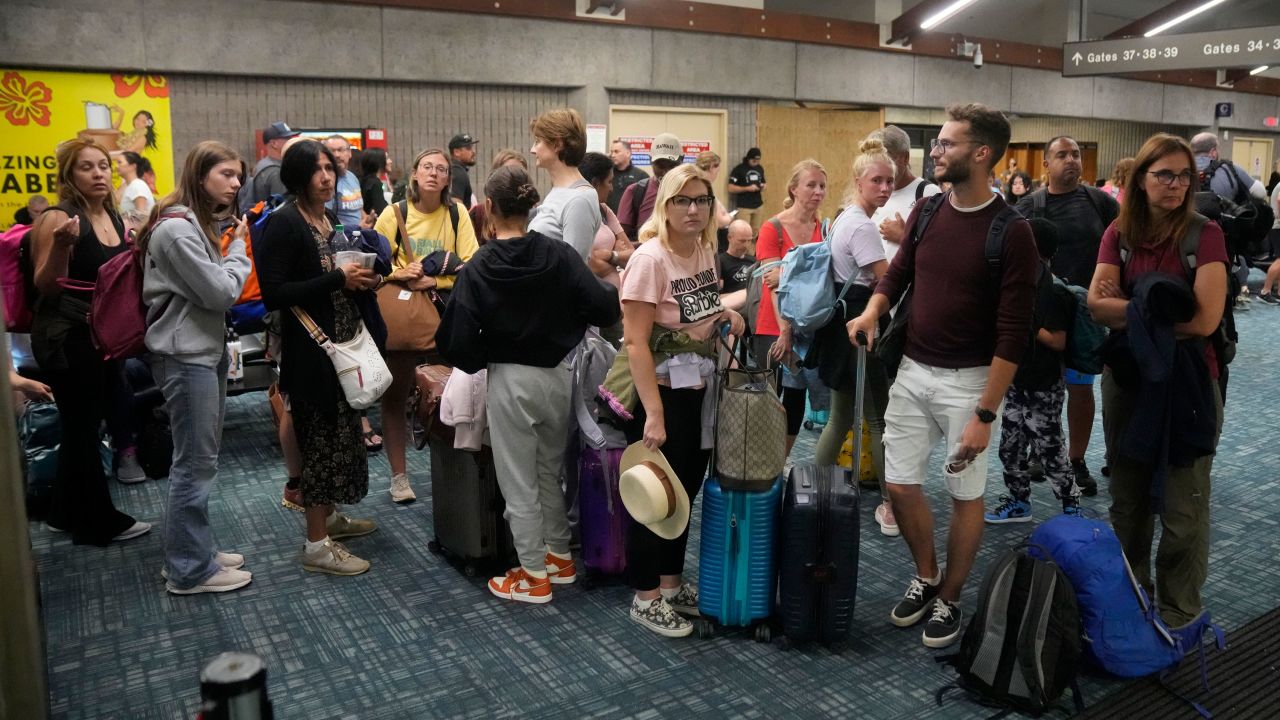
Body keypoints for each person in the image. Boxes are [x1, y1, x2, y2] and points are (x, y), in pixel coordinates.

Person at [847, 103, 1038, 649]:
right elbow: (901, 272)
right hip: (912, 370)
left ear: (981, 153)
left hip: (970, 384)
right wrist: (871, 311)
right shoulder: (929, 210)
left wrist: (985, 414)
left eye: (948, 143)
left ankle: (951, 597)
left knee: (964, 494)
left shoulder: (1012, 232)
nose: (936, 151)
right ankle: (927, 575)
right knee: (901, 485)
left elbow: (1013, 333)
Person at [438, 166, 620, 604]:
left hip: (511, 377)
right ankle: (558, 556)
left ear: (490, 210)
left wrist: (484, 358)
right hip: (559, 375)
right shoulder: (558, 253)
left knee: (517, 479)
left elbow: (455, 342)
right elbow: (603, 304)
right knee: (547, 471)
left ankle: (532, 574)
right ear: (532, 206)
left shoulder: (480, 265)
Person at [1087, 133, 1228, 628]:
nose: (1175, 184)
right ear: (1140, 179)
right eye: (1163, 174)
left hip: (1189, 384)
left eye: (1184, 175)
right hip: (1130, 379)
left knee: (1183, 502)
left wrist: (1127, 309)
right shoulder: (1119, 234)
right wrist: (1155, 312)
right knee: (1127, 496)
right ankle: (1133, 595)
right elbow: (1093, 304)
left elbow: (1205, 322)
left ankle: (1178, 607)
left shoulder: (1203, 234)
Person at [616, 163, 745, 637]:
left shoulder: (705, 250)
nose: (693, 209)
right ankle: (644, 595)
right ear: (665, 206)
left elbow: (700, 314)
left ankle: (670, 586)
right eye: (682, 201)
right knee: (652, 496)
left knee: (682, 494)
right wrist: (653, 413)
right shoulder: (650, 260)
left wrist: (727, 319)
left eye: (702, 200)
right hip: (659, 397)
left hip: (697, 392)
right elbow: (636, 344)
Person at [255, 140, 382, 576]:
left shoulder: (325, 218)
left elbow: (330, 279)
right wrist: (336, 278)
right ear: (297, 176)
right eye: (316, 170)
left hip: (339, 345)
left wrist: (358, 280)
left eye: (330, 168)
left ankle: (326, 519)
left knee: (339, 437)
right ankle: (316, 545)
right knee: (320, 443)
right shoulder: (284, 223)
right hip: (311, 352)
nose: (326, 176)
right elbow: (273, 293)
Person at [140, 141, 254, 594]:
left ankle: (194, 551)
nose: (236, 182)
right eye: (226, 173)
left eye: (238, 175)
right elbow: (221, 292)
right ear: (199, 175)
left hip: (198, 352)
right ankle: (189, 569)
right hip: (185, 355)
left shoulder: (193, 223)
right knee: (193, 464)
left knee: (199, 461)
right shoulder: (176, 230)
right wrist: (240, 250)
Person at [29, 139, 152, 545]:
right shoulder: (56, 218)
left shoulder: (113, 216)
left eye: (103, 165)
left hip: (100, 335)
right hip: (66, 337)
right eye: (87, 167)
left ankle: (64, 512)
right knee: (82, 426)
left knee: (86, 422)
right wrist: (63, 246)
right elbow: (45, 285)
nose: (99, 173)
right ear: (68, 175)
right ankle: (97, 521)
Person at [1015, 136, 1120, 497]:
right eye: (1062, 155)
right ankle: (1037, 452)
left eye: (1075, 154)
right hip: (1044, 309)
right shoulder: (1030, 205)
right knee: (1037, 387)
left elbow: (1122, 245)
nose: (1071, 160)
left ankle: (1075, 459)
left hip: (1086, 313)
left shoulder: (1100, 202)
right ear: (1046, 164)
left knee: (1080, 387)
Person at [372, 148, 478, 503]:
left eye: (442, 169)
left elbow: (470, 264)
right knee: (395, 395)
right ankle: (399, 477)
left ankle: (456, 470)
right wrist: (399, 273)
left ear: (449, 178)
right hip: (404, 315)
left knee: (456, 394)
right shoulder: (394, 213)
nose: (434, 173)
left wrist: (437, 282)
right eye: (427, 167)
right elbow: (374, 266)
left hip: (445, 313)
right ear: (415, 174)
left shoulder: (456, 213)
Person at [810, 140, 895, 536]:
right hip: (861, 324)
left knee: (841, 416)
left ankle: (809, 489)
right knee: (879, 419)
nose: (884, 188)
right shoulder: (862, 225)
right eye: (876, 180)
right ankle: (891, 503)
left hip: (844, 322)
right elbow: (887, 279)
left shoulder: (845, 217)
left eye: (889, 181)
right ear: (859, 182)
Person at [985, 218, 1081, 524]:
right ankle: (1019, 501)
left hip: (1044, 386)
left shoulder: (1054, 291)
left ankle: (1070, 503)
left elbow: (1058, 340)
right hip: (1017, 380)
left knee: (1049, 448)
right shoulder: (1017, 283)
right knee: (1010, 447)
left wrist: (1024, 323)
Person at [755, 159, 827, 457]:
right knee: (767, 400)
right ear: (794, 189)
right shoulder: (774, 228)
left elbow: (824, 278)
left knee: (796, 402)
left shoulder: (823, 229)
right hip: (773, 327)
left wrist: (787, 273)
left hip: (806, 331)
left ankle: (778, 462)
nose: (818, 192)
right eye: (811, 185)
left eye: (822, 186)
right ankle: (759, 463)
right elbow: (772, 286)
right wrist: (784, 331)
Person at [527, 109, 599, 261]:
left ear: (557, 144)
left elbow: (574, 269)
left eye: (538, 141)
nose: (532, 150)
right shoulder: (561, 191)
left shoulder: (579, 199)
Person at [578, 151, 633, 344]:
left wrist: (610, 255)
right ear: (594, 183)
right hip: (589, 309)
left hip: (614, 309)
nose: (611, 188)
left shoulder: (604, 210)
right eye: (608, 182)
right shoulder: (578, 213)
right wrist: (617, 259)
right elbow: (590, 265)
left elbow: (632, 255)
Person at [867, 126, 941, 265]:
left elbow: (940, 251)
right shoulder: (869, 193)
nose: (878, 168)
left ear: (905, 157)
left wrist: (903, 237)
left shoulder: (928, 193)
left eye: (886, 160)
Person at [618, 133, 683, 242]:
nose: (666, 171)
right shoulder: (636, 192)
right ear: (650, 160)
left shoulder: (693, 192)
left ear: (682, 160)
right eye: (660, 165)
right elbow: (622, 241)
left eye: (672, 165)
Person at [470, 149, 528, 245]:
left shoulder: (534, 214)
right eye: (507, 173)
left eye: (520, 173)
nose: (515, 179)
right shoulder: (478, 214)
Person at [1190, 132, 1269, 203]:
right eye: (1218, 149)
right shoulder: (1231, 170)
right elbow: (1261, 193)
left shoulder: (1182, 168)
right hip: (1222, 218)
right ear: (1213, 152)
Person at [240, 121, 299, 214]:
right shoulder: (276, 171)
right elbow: (284, 209)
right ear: (274, 143)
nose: (292, 142)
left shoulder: (262, 164)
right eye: (287, 139)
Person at [323, 135, 370, 230]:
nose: (337, 155)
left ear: (349, 153)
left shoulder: (352, 177)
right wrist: (356, 227)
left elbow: (359, 209)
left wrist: (367, 219)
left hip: (360, 235)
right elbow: (324, 221)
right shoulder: (326, 182)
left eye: (341, 150)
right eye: (332, 151)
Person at [727, 148, 767, 235]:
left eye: (758, 160)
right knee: (743, 232)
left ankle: (754, 249)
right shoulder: (739, 169)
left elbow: (764, 182)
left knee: (756, 233)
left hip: (758, 205)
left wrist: (763, 186)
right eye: (754, 160)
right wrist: (747, 188)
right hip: (744, 207)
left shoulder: (759, 168)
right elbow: (730, 188)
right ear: (749, 158)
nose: (756, 162)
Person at [718, 219, 755, 311]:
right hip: (733, 308)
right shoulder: (720, 261)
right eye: (742, 241)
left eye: (749, 240)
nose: (746, 245)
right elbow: (717, 297)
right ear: (730, 238)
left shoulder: (753, 261)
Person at [694, 151, 735, 232]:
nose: (717, 174)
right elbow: (719, 221)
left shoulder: (699, 183)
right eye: (717, 171)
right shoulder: (703, 186)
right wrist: (730, 218)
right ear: (711, 167)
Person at [608, 139, 648, 213]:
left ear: (628, 153)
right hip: (608, 221)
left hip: (631, 221)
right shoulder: (607, 174)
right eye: (611, 152)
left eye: (616, 152)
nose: (612, 155)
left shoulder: (641, 176)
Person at [115, 152, 155, 216]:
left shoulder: (137, 185)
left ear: (133, 166)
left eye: (120, 162)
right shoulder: (132, 186)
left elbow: (141, 216)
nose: (116, 166)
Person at [356, 148, 391, 217]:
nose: (390, 161)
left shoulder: (362, 181)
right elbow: (381, 211)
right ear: (378, 162)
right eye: (387, 158)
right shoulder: (375, 184)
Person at [448, 133, 479, 208]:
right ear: (456, 152)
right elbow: (456, 205)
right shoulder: (457, 172)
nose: (473, 152)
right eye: (468, 148)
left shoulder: (454, 170)